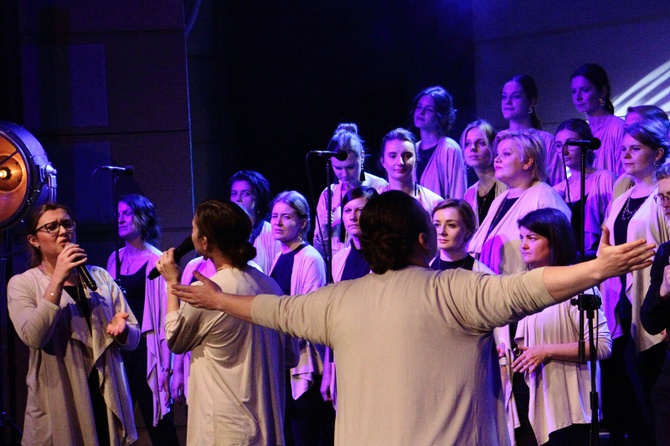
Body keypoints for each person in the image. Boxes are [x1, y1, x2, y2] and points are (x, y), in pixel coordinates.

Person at [170, 190, 655, 445]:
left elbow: (271, 310)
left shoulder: (338, 301)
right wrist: (601, 266)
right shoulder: (457, 291)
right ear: (423, 239)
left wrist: (217, 301)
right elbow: (532, 286)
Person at [155, 200, 298, 446]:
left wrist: (171, 284)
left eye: (193, 230)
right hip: (266, 428)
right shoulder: (270, 285)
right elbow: (291, 356)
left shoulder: (208, 293)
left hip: (225, 429)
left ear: (204, 242)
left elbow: (175, 339)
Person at [7, 203, 140, 445]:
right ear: (34, 240)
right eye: (51, 227)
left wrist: (123, 332)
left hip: (104, 393)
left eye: (67, 224)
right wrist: (57, 279)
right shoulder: (23, 284)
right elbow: (34, 337)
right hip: (61, 394)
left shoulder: (99, 277)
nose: (62, 231)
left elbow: (133, 339)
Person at [510, 208, 611, 445]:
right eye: (522, 237)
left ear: (554, 241)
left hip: (570, 410)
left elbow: (603, 345)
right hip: (537, 397)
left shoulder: (579, 286)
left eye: (532, 238)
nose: (524, 245)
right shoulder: (525, 286)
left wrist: (546, 350)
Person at [598, 120, 670, 444]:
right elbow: (606, 245)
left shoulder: (663, 194)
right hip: (626, 301)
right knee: (635, 392)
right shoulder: (621, 198)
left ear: (657, 153)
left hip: (655, 296)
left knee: (658, 390)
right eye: (623, 148)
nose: (626, 154)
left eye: (635, 148)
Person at [106, 194, 180, 445]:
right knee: (116, 422)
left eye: (127, 213)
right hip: (120, 349)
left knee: (157, 421)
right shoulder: (113, 258)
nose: (121, 219)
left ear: (143, 218)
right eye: (119, 214)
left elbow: (163, 315)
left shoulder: (155, 260)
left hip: (146, 353)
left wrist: (166, 364)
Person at [269, 190, 334, 445]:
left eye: (286, 217)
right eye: (274, 216)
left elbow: (310, 313)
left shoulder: (309, 258)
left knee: (304, 433)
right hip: (282, 360)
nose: (278, 222)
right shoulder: (277, 257)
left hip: (302, 359)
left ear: (303, 223)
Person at [468, 131, 571, 275]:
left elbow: (558, 249)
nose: (497, 159)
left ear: (528, 161)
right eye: (498, 154)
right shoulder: (499, 200)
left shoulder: (544, 196)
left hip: (526, 288)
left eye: (506, 154)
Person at [322, 186, 379, 410]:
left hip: (376, 355)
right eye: (347, 211)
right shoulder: (339, 259)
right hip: (346, 356)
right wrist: (329, 369)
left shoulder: (385, 257)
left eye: (361, 210)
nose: (353, 217)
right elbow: (333, 317)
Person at [313, 124, 387, 258]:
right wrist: (323, 229)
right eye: (338, 168)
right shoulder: (328, 194)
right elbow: (319, 253)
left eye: (350, 167)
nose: (344, 174)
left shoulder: (380, 188)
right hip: (338, 269)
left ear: (362, 157)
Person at [552, 119, 616, 257]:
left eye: (571, 144)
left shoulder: (605, 179)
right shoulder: (557, 189)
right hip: (570, 263)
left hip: (600, 259)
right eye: (558, 145)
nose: (564, 151)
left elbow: (614, 223)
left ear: (586, 145)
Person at [641, 163, 670, 446]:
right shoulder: (666, 251)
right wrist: (662, 291)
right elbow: (650, 321)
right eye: (661, 197)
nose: (666, 204)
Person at [501, 75, 563, 186]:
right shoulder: (499, 139)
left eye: (515, 97)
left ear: (531, 102)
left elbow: (558, 182)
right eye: (504, 97)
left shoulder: (545, 140)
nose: (508, 102)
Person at [411, 86, 467, 199]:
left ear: (441, 115)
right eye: (419, 107)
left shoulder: (450, 149)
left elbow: (458, 192)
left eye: (429, 109)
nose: (421, 112)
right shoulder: (412, 149)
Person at [570, 63, 625, 175]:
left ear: (602, 92)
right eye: (573, 91)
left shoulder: (618, 128)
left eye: (585, 90)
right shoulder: (582, 132)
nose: (578, 97)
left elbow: (625, 175)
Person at [379, 127, 443, 213]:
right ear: (383, 161)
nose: (400, 162)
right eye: (393, 156)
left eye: (407, 155)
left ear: (416, 159)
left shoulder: (434, 203)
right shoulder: (374, 201)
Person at [230, 170, 280, 274]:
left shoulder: (273, 233)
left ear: (258, 197)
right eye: (234, 194)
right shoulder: (225, 233)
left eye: (246, 194)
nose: (238, 199)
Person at [461, 119, 507, 226]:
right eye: (467, 143)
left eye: (481, 143)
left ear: (494, 147)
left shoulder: (508, 186)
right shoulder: (469, 194)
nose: (472, 148)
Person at [430, 199, 491, 273]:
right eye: (437, 225)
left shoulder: (482, 274)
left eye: (451, 225)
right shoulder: (425, 268)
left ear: (467, 232)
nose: (441, 232)